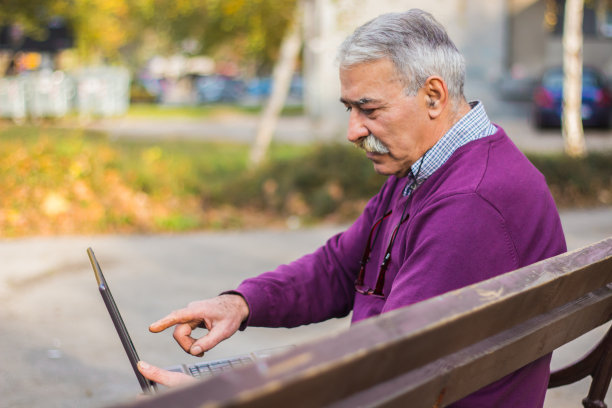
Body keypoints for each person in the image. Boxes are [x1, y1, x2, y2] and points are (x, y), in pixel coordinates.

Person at [138, 9, 566, 406]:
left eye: (369, 109)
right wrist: (241, 303)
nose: (352, 131)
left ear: (433, 96)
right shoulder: (425, 170)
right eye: (349, 108)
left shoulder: (468, 203)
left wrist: (236, 398)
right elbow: (339, 268)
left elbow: (389, 372)